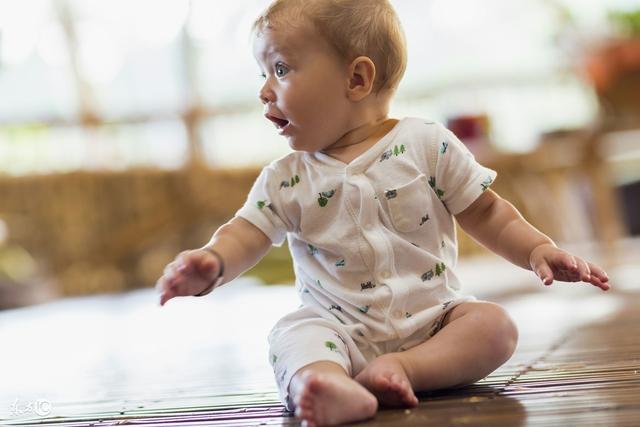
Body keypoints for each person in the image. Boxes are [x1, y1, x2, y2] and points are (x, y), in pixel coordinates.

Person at [156, 1, 611, 425]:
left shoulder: (427, 145)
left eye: (280, 69)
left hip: (435, 323)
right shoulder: (286, 179)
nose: (263, 90)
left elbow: (488, 213)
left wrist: (537, 250)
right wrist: (213, 263)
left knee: (496, 327)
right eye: (263, 72)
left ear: (356, 79)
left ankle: (404, 369)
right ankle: (327, 385)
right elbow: (246, 233)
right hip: (337, 331)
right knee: (293, 337)